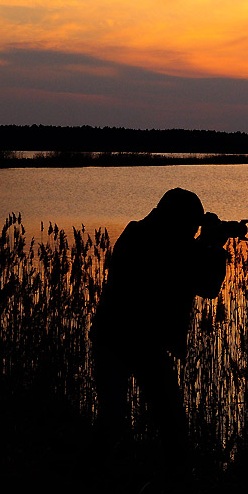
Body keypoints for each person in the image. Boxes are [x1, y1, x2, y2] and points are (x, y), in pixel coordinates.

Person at [89, 188, 230, 474]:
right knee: (162, 420)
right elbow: (207, 284)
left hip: (122, 339)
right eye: (192, 224)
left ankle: (102, 475)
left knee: (124, 419)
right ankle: (166, 481)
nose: (193, 231)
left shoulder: (139, 234)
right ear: (177, 221)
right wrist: (213, 247)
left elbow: (179, 260)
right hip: (132, 342)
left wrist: (203, 243)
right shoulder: (163, 244)